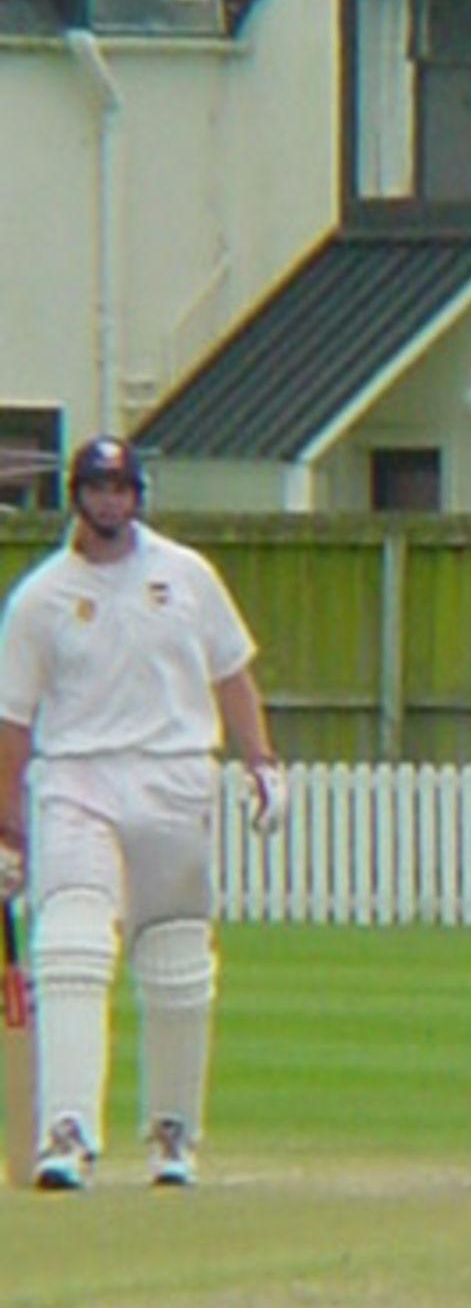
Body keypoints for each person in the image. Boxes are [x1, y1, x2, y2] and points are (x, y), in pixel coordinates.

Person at [0, 435, 286, 1190]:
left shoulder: (187, 576)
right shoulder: (42, 598)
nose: (110, 501)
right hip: (77, 784)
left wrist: (262, 762)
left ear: (138, 494)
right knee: (71, 948)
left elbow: (232, 672)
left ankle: (173, 1135)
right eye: (97, 488)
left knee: (177, 961)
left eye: (122, 487)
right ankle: (66, 1133)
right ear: (77, 495)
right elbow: (13, 722)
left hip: (173, 780)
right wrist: (7, 827)